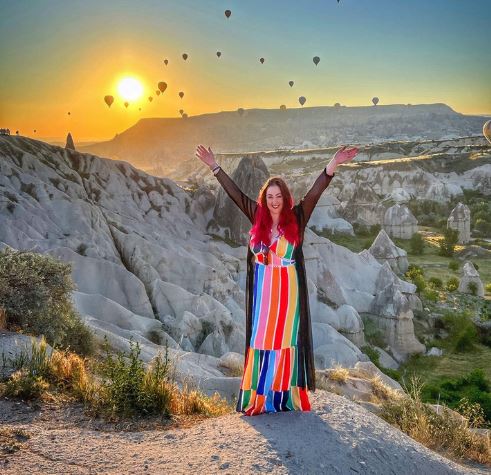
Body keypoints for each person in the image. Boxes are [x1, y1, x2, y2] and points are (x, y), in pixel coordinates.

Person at [195, 144, 359, 415]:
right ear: (264, 198)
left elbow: (316, 193)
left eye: (278, 196)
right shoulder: (257, 216)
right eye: (269, 196)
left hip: (288, 293)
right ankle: (258, 399)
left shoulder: (297, 218)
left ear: (285, 198)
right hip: (263, 292)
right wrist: (214, 166)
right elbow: (234, 194)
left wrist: (333, 163)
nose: (273, 201)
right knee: (261, 339)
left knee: (284, 341)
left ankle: (283, 398)